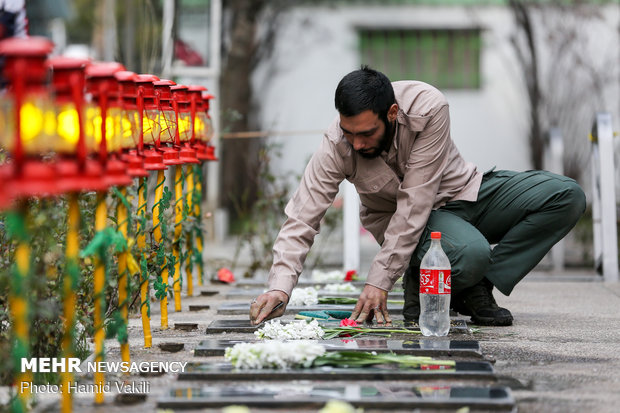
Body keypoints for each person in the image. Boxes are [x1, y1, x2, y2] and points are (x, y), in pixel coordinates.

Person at [249, 66, 586, 327]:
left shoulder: (428, 106)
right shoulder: (336, 145)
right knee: (470, 252)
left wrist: (378, 282)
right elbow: (303, 217)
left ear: (392, 113)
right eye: (349, 133)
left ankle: (476, 284)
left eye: (367, 134)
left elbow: (417, 197)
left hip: (464, 192)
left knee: (565, 196)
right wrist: (280, 287)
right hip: (407, 222)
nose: (357, 144)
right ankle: (448, 273)